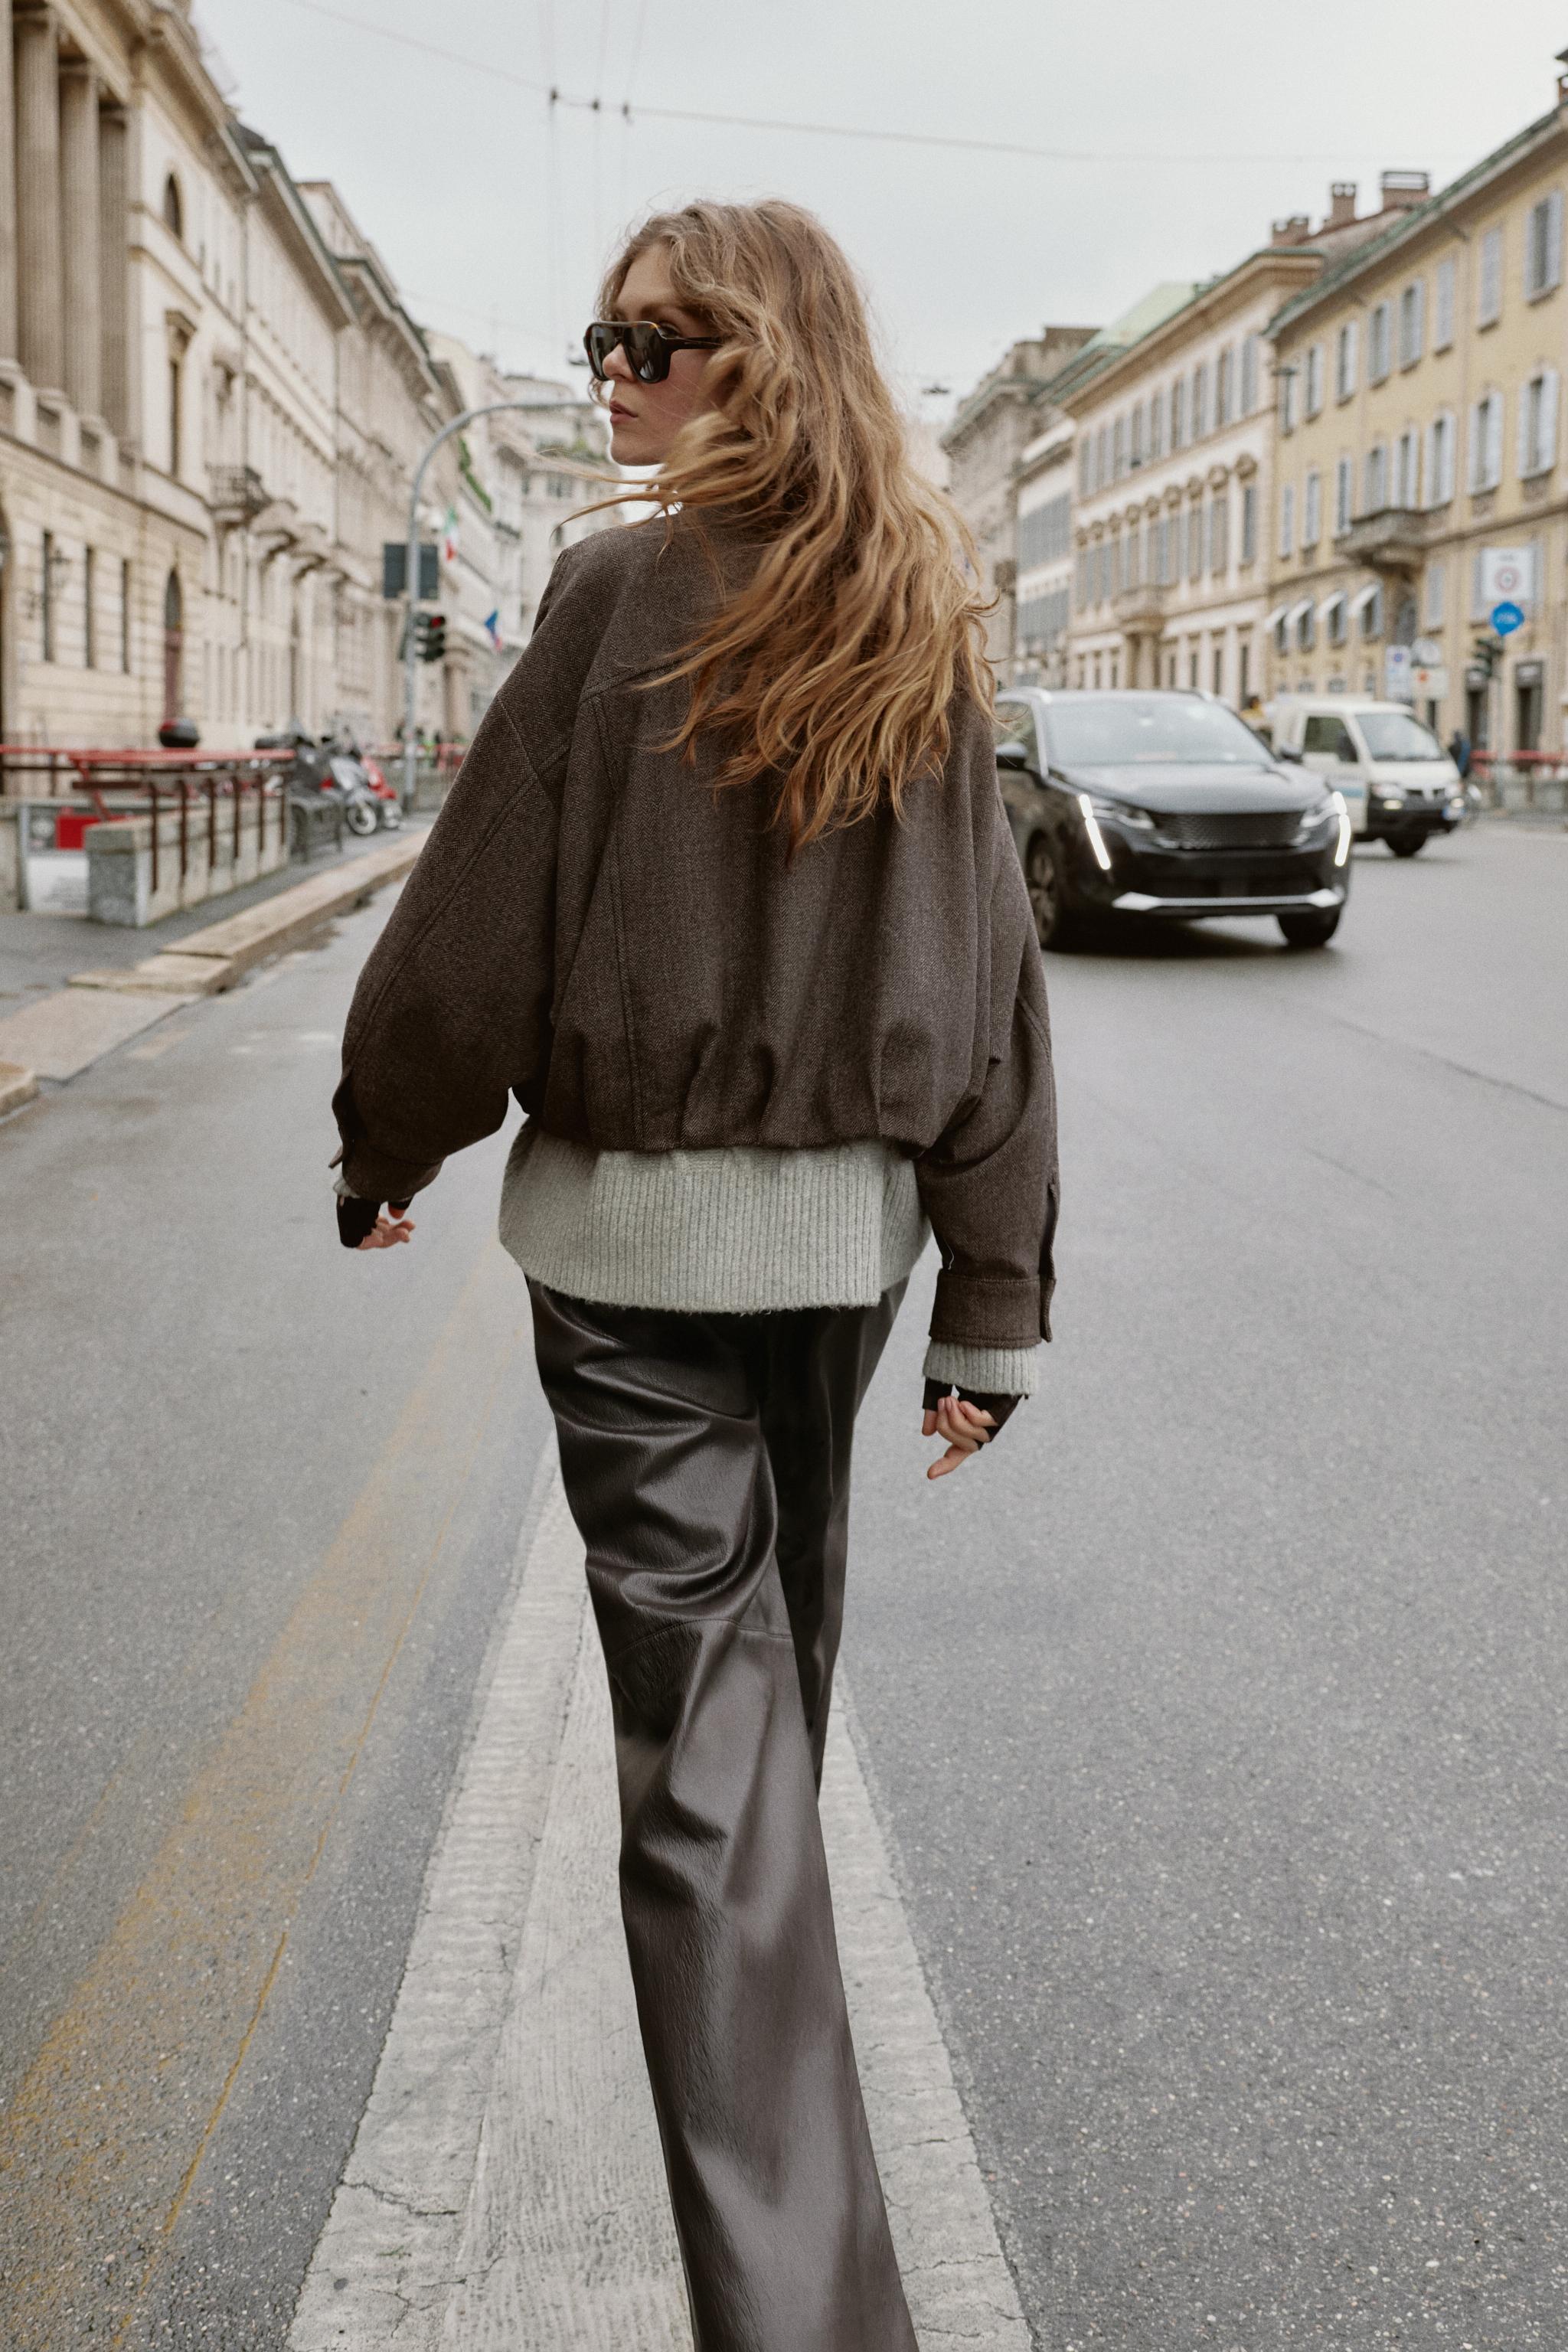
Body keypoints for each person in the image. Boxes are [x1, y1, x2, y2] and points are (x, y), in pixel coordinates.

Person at [330, 199, 1057, 2351]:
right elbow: (999, 1001)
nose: (615, 377)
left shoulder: (624, 589)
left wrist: (389, 1141)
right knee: (757, 1734)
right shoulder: (918, 609)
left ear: (761, 350)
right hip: (838, 1260)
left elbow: (474, 938)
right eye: (601, 344)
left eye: (651, 342)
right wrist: (991, 1303)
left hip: (639, 1270)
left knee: (721, 1779)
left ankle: (808, 2318)